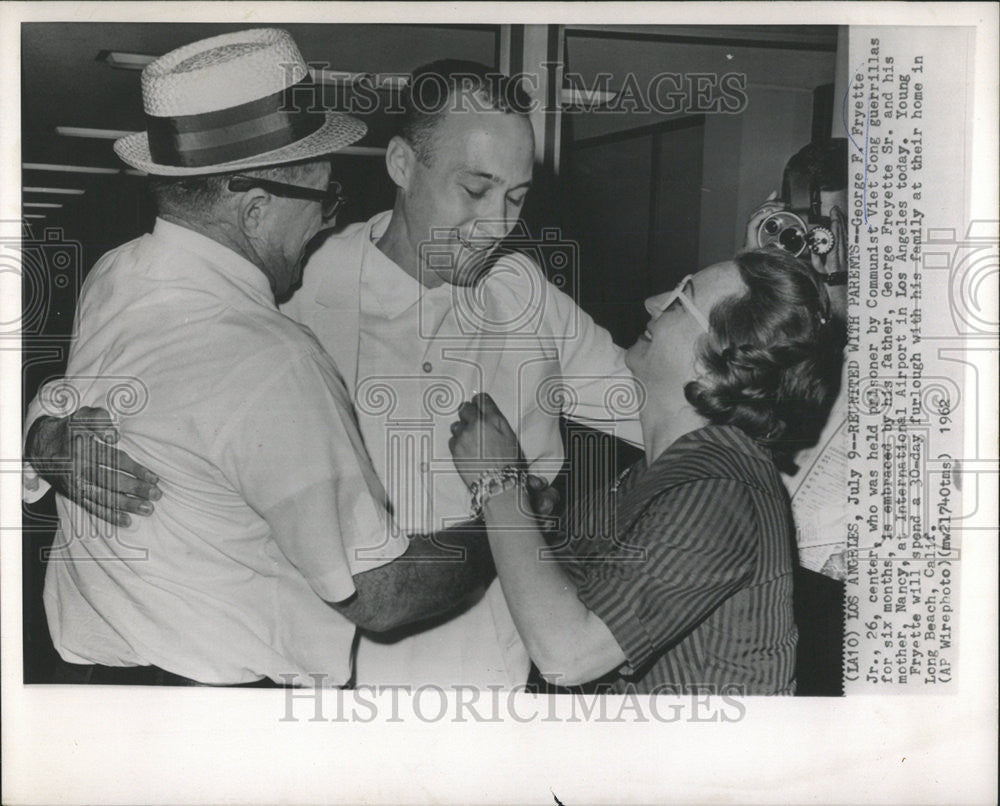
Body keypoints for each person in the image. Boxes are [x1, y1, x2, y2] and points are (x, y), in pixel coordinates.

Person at [25, 59, 639, 689]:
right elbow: (156, 355)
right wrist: (46, 435)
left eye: (517, 196)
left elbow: (665, 412)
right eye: (475, 189)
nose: (499, 224)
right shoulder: (287, 289)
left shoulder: (526, 296)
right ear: (401, 165)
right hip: (332, 695)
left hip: (495, 682)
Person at [448, 249, 844, 693]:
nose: (653, 302)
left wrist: (498, 483)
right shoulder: (659, 476)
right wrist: (531, 519)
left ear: (723, 361)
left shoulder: (719, 490)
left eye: (679, 300)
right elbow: (558, 597)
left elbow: (566, 654)